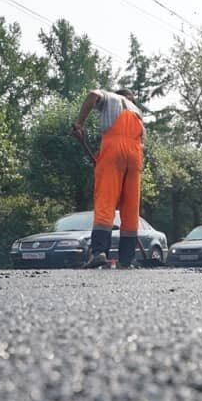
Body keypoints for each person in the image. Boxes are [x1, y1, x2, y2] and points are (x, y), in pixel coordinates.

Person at [72, 88, 145, 269]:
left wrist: (80, 123)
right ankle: (126, 259)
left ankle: (99, 252)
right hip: (135, 155)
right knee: (130, 208)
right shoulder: (137, 111)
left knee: (105, 201)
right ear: (131, 98)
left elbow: (92, 95)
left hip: (113, 148)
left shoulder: (111, 97)